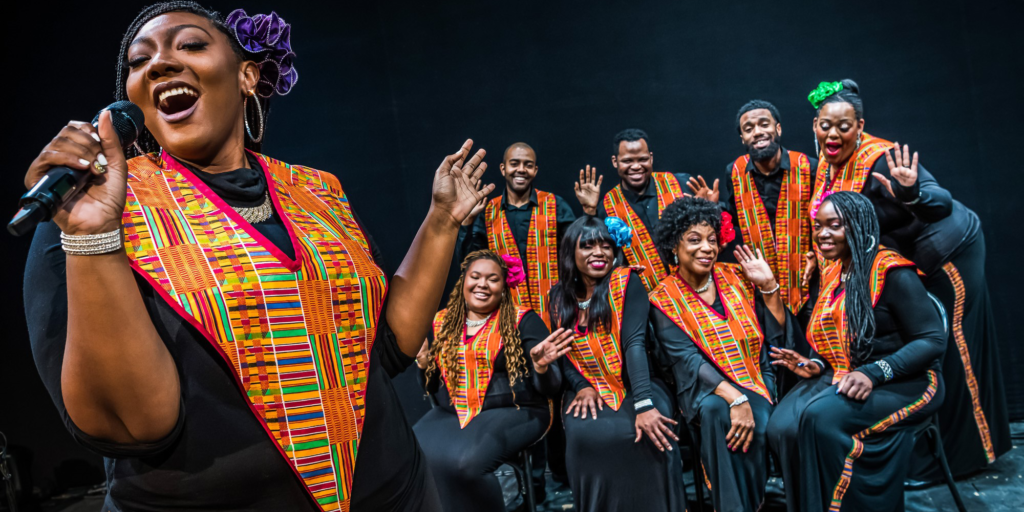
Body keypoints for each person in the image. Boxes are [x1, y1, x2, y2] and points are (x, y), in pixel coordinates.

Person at [22, 4, 492, 511]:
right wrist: (93, 238)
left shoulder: (317, 190)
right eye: (140, 61)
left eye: (191, 44)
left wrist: (442, 221)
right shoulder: (92, 209)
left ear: (247, 76)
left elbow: (387, 348)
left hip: (397, 493)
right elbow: (132, 427)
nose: (159, 64)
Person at [808, 79, 1009, 480]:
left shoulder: (881, 159)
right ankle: (928, 451)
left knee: (951, 346)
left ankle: (963, 457)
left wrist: (912, 192)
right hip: (912, 258)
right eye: (825, 126)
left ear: (859, 126)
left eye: (843, 127)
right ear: (815, 125)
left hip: (947, 252)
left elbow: (940, 203)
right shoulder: (830, 167)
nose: (833, 134)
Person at [766, 192, 946, 512]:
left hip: (908, 380)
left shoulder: (893, 272)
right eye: (818, 226)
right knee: (782, 427)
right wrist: (817, 363)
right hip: (847, 372)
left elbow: (932, 340)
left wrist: (874, 373)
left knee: (820, 420)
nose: (822, 234)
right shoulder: (835, 271)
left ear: (859, 225)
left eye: (834, 225)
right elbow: (837, 333)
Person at [649, 196, 790, 512]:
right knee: (716, 411)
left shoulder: (735, 276)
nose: (706, 248)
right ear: (674, 246)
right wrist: (735, 399)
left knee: (754, 421)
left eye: (712, 240)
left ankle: (743, 502)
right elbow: (687, 360)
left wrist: (769, 285)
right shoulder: (663, 297)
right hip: (701, 385)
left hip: (754, 376)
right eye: (694, 240)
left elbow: (776, 333)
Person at [413, 250, 573, 512]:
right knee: (412, 453)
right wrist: (423, 364)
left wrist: (540, 367)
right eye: (475, 277)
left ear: (504, 285)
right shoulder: (442, 321)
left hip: (516, 409)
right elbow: (430, 387)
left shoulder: (523, 320)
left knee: (467, 463)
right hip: (453, 411)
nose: (483, 284)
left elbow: (551, 388)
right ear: (463, 280)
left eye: (492, 279)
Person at [549, 216, 685, 512]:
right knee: (584, 435)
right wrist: (581, 386)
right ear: (571, 251)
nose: (599, 252)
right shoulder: (558, 296)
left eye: (606, 246)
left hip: (638, 383)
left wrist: (645, 405)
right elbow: (562, 353)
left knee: (647, 431)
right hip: (588, 386)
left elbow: (634, 344)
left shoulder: (626, 281)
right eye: (587, 246)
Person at [700, 100, 818, 326]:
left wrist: (816, 254)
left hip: (806, 281)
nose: (757, 132)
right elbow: (736, 216)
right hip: (761, 284)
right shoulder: (734, 171)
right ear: (742, 138)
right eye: (749, 128)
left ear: (778, 129)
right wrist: (711, 208)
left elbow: (822, 219)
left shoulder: (809, 166)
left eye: (764, 124)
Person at [457, 142, 576, 329]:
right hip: (507, 315)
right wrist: (466, 222)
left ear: (535, 170)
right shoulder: (487, 212)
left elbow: (576, 253)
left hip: (555, 312)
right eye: (514, 164)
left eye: (528, 165)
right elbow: (470, 264)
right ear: (503, 169)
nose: (521, 169)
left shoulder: (555, 205)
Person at [574, 129, 694, 291]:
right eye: (627, 161)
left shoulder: (680, 184)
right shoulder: (606, 207)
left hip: (695, 289)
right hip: (646, 297)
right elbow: (593, 251)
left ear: (651, 158)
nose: (636, 166)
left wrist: (709, 206)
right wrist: (589, 210)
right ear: (615, 161)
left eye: (643, 159)